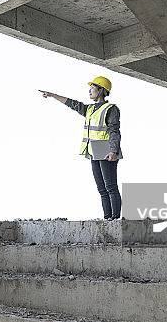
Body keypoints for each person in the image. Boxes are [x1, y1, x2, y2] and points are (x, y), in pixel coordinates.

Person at [39, 77, 122, 220]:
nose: (89, 90)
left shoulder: (111, 109)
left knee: (111, 187)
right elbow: (72, 104)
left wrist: (113, 151)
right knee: (102, 189)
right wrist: (52, 95)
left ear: (101, 90)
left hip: (107, 152)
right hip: (93, 152)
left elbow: (114, 131)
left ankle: (115, 220)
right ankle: (107, 219)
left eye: (92, 87)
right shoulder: (89, 109)